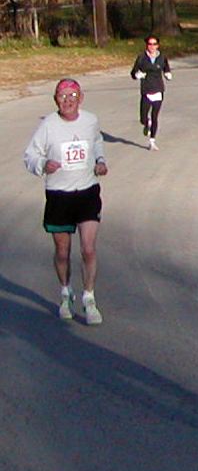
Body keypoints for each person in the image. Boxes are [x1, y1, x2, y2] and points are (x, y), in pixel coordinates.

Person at [23, 78, 108, 325]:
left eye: (73, 95)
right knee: (62, 252)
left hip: (87, 192)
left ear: (80, 98)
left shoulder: (90, 120)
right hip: (59, 195)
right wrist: (42, 164)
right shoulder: (48, 125)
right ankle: (65, 292)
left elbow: (97, 142)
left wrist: (100, 161)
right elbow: (30, 156)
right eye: (62, 96)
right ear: (55, 100)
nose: (68, 100)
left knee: (88, 248)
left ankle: (89, 299)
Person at [131, 35, 172, 150]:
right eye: (150, 44)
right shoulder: (142, 58)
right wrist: (137, 75)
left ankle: (152, 141)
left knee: (155, 116)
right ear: (146, 45)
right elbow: (133, 73)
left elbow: (166, 68)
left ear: (157, 46)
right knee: (143, 118)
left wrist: (168, 74)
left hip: (158, 89)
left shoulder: (162, 57)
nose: (152, 46)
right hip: (146, 89)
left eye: (154, 44)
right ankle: (146, 123)